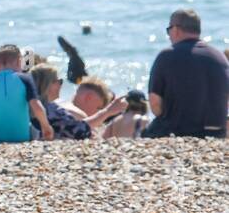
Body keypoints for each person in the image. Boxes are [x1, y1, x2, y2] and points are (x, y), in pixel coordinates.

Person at [144, 9, 228, 138]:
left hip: (177, 132)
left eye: (169, 30)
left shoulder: (167, 55)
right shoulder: (220, 57)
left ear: (176, 29)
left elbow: (155, 104)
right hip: (217, 133)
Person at [30, 64, 124, 139]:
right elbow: (78, 129)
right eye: (59, 81)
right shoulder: (51, 110)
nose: (61, 85)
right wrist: (108, 111)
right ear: (48, 85)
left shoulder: (26, 106)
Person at [0, 44, 52, 142]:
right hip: (23, 137)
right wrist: (46, 126)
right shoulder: (25, 78)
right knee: (33, 129)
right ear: (20, 63)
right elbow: (37, 107)